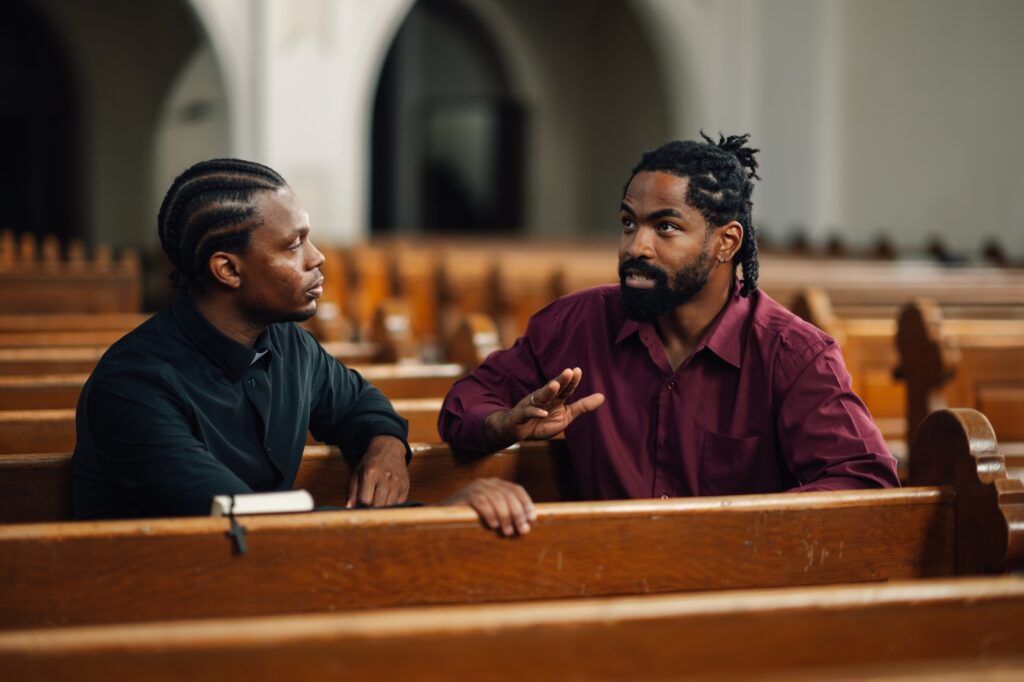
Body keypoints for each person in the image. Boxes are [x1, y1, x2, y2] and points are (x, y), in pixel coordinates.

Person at [73, 158, 534, 536]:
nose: (317, 258)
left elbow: (362, 404)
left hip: (250, 587)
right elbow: (251, 524)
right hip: (150, 613)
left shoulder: (287, 343)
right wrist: (435, 516)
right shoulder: (133, 386)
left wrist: (385, 448)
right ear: (227, 270)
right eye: (294, 245)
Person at [439, 133, 900, 499]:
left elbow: (864, 481)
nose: (635, 246)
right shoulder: (576, 324)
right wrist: (504, 423)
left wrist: (740, 529)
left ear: (727, 242)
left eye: (665, 227)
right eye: (627, 223)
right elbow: (466, 401)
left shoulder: (792, 355)